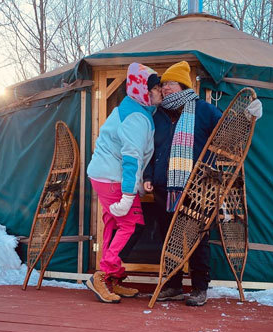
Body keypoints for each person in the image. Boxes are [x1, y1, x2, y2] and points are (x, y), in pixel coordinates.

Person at [143, 61, 262, 306]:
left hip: (197, 186)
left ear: (184, 85)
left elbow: (229, 133)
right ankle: (173, 285)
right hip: (165, 188)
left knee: (197, 239)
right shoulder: (160, 116)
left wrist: (248, 116)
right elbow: (151, 150)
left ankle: (199, 288)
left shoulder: (203, 110)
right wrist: (148, 176)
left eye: (171, 84)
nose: (166, 89)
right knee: (168, 237)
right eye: (164, 85)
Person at [86, 62, 163, 303]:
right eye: (157, 87)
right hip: (112, 178)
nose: (160, 91)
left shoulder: (134, 109)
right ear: (144, 91)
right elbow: (131, 158)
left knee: (117, 223)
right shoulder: (136, 118)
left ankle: (112, 278)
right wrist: (129, 194)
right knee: (130, 225)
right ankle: (102, 276)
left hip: (106, 175)